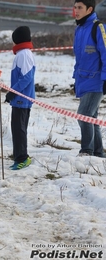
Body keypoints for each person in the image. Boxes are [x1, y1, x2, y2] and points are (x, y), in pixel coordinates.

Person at [73, 0, 105, 158]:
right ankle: (98, 153)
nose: (76, 11)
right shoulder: (79, 28)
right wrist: (75, 80)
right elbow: (78, 60)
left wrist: (105, 79)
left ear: (89, 9)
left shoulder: (98, 27)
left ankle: (87, 150)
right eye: (75, 7)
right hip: (83, 80)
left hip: (96, 81)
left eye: (79, 8)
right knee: (91, 117)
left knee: (83, 115)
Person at [4, 26, 35, 170]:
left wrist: (13, 92)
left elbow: (26, 78)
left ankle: (22, 158)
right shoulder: (23, 53)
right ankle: (19, 156)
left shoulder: (24, 54)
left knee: (19, 129)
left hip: (22, 98)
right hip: (20, 98)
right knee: (17, 128)